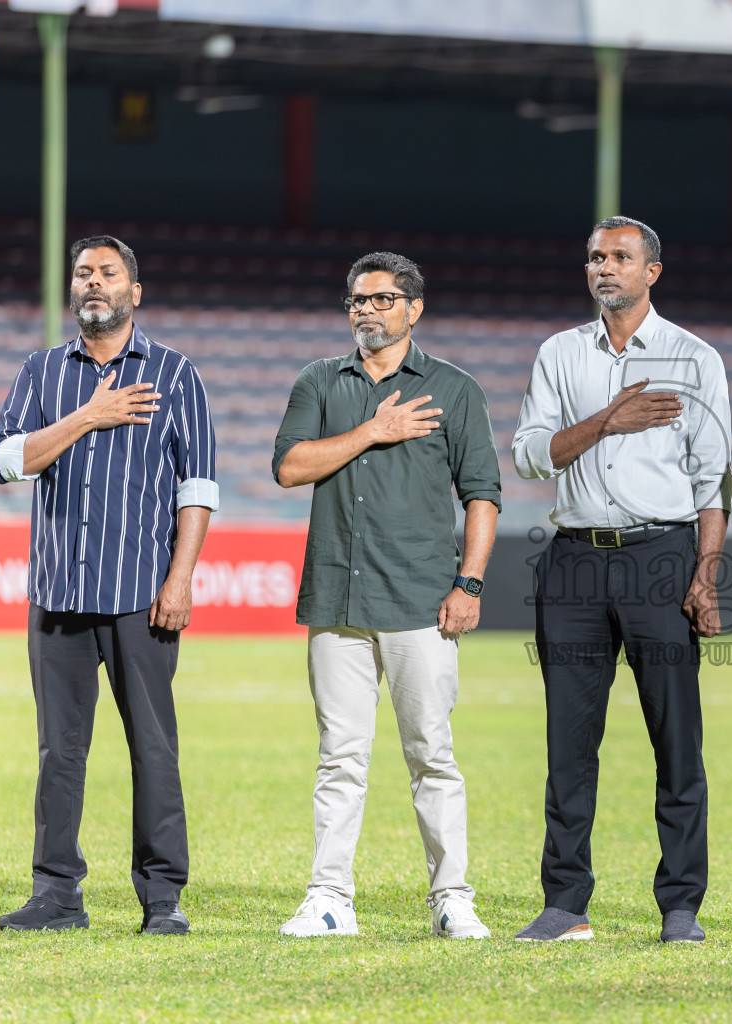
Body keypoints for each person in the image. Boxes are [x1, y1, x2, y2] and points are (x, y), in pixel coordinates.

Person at [510, 216, 732, 943]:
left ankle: (680, 906)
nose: (604, 267)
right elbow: (532, 456)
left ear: (652, 272)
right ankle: (565, 902)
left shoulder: (695, 358)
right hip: (573, 560)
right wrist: (607, 420)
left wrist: (704, 577)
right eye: (595, 257)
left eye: (620, 257)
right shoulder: (558, 354)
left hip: (660, 559)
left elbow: (712, 481)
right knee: (568, 743)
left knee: (677, 740)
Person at [0, 235, 218, 935]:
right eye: (83, 272)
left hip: (142, 595)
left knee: (153, 746)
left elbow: (199, 486)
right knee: (59, 750)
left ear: (134, 292)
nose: (94, 282)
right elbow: (6, 461)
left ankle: (162, 898)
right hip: (57, 595)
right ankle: (56, 894)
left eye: (108, 273)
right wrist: (88, 415)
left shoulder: (177, 375)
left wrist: (180, 580)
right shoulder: (40, 372)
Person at [271, 252, 501, 940]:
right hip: (337, 598)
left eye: (381, 299)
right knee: (340, 757)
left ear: (414, 308)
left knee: (431, 752)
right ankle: (329, 899)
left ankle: (452, 898)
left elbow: (483, 494)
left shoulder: (455, 390)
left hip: (422, 598)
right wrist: (373, 428)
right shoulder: (319, 381)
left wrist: (470, 583)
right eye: (357, 301)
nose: (366, 310)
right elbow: (289, 466)